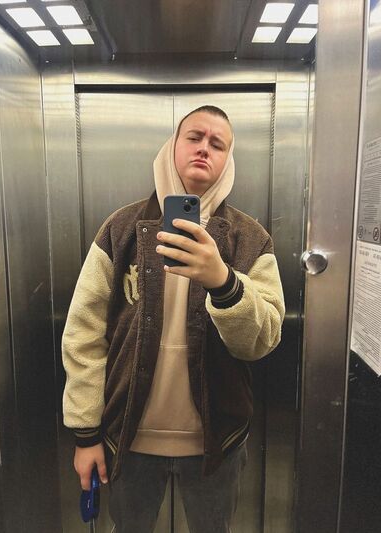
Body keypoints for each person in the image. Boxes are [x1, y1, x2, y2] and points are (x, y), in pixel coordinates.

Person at [62, 105, 285, 532]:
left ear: (228, 159)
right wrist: (85, 433)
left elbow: (263, 340)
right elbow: (83, 333)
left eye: (218, 144)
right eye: (194, 137)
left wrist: (224, 282)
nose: (204, 149)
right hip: (127, 434)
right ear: (173, 146)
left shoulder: (250, 239)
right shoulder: (121, 228)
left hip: (217, 440)